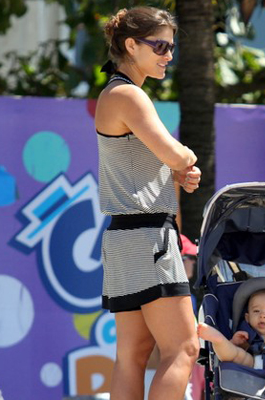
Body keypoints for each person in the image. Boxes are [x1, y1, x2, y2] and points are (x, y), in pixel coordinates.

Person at [95, 7, 201, 400]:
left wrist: (174, 170)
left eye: (170, 47)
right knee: (184, 348)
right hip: (148, 238)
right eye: (159, 46)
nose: (168, 55)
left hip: (124, 240)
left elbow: (158, 162)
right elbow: (179, 156)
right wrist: (182, 163)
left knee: (132, 355)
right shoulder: (128, 95)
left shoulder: (116, 93)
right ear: (130, 45)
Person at [197, 288, 265, 392]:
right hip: (251, 362)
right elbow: (236, 351)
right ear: (247, 317)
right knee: (236, 354)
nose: (262, 315)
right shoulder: (246, 334)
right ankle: (219, 340)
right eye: (256, 311)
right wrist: (234, 342)